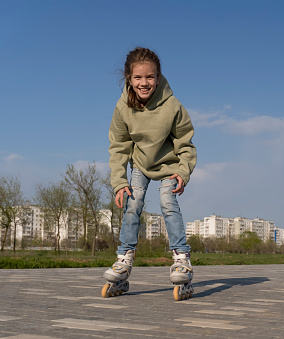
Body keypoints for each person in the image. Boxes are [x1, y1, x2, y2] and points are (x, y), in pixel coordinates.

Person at [102, 47, 197, 300]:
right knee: (133, 203)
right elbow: (119, 147)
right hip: (140, 163)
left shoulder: (173, 106)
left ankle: (181, 258)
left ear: (158, 76)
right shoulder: (123, 107)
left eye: (150, 77)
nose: (144, 83)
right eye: (138, 78)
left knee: (167, 201)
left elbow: (185, 143)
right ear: (128, 78)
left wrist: (183, 172)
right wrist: (119, 182)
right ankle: (124, 259)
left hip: (169, 163)